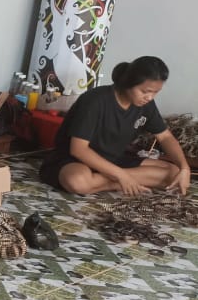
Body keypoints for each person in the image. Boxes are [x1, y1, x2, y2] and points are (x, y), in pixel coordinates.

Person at [40, 56, 190, 196]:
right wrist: (121, 175)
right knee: (78, 181)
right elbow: (78, 150)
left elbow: (165, 137)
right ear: (129, 82)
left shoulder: (146, 104)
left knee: (174, 173)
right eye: (145, 91)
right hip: (75, 160)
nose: (150, 97)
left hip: (113, 160)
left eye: (155, 93)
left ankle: (106, 181)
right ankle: (119, 181)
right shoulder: (95, 100)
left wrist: (185, 168)